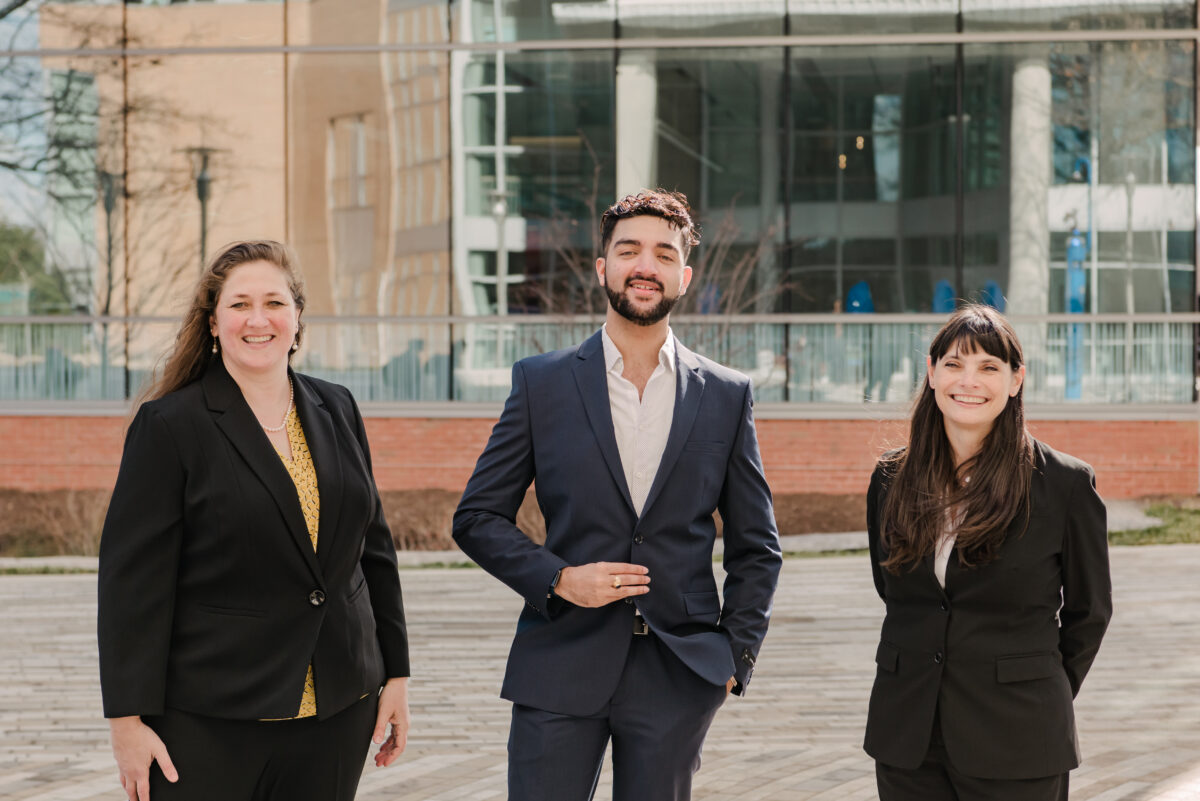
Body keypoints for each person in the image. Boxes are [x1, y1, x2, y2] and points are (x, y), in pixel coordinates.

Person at [453, 189, 782, 801]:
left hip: (677, 671)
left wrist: (733, 659)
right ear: (602, 268)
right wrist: (558, 579)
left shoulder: (727, 394)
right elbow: (476, 518)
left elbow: (757, 546)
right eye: (628, 250)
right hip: (559, 661)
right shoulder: (540, 383)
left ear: (684, 275)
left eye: (663, 253)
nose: (644, 265)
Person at [97, 240, 411, 801]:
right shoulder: (169, 425)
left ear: (297, 318)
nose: (258, 319)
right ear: (213, 323)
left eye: (274, 302)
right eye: (239, 304)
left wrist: (396, 676)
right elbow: (132, 585)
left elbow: (374, 549)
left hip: (339, 710)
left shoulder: (337, 406)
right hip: (209, 719)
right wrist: (126, 720)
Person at [864, 304, 1112, 801]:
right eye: (954, 364)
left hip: (1018, 735)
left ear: (1016, 380)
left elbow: (1090, 612)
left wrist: (1040, 690)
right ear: (932, 373)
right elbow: (892, 589)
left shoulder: (1065, 484)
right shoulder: (891, 478)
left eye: (989, 367)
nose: (968, 381)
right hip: (908, 734)